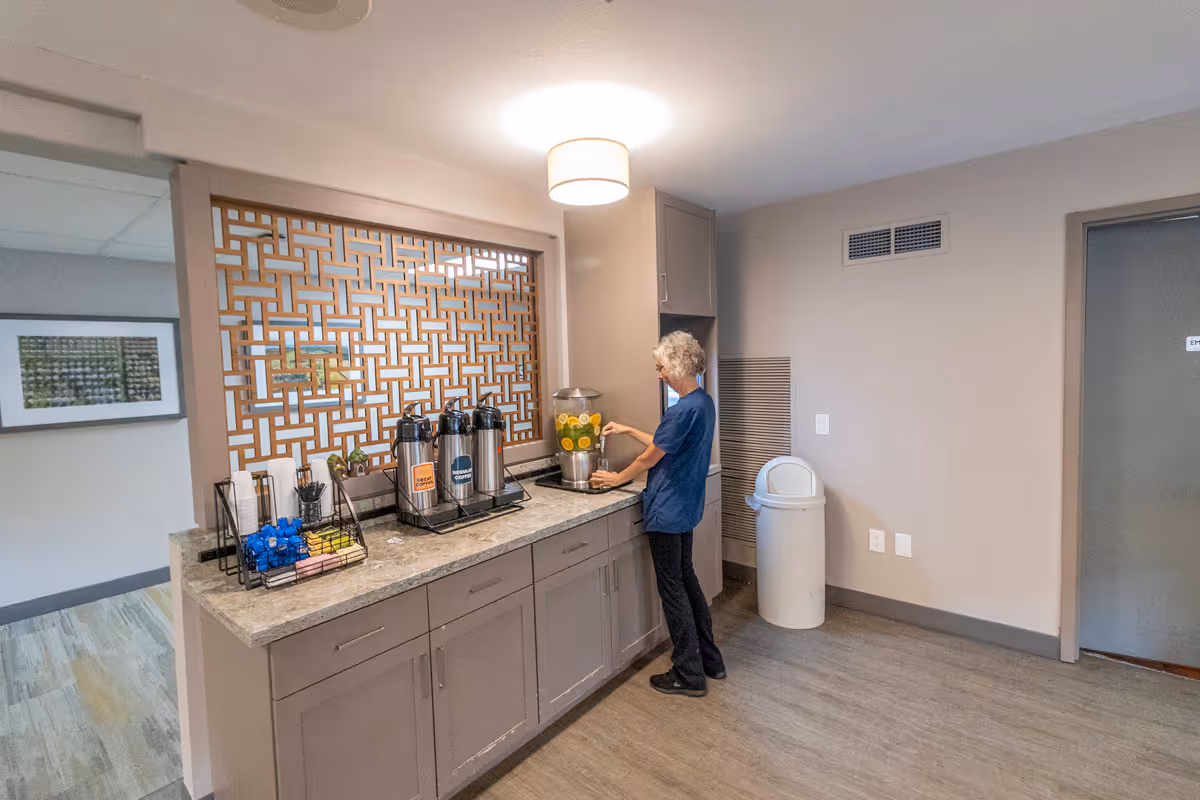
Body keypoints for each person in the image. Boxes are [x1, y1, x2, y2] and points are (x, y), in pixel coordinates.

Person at [590, 331, 726, 697]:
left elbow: (651, 457)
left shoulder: (682, 410)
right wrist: (628, 428)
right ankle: (710, 660)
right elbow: (664, 442)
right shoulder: (702, 402)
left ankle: (688, 674)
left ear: (678, 366)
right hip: (686, 507)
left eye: (661, 367)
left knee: (674, 591)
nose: (658, 373)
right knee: (687, 580)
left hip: (667, 510)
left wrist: (616, 478)